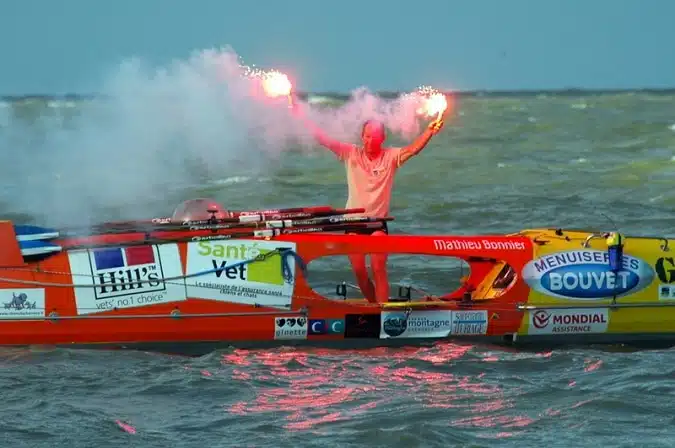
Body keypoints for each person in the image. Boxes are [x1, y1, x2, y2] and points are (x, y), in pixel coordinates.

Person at [291, 99, 447, 303]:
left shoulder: (391, 157)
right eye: (366, 136)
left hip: (377, 224)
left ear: (382, 138)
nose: (369, 141)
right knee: (359, 273)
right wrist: (299, 113)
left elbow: (413, 149)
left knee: (378, 268)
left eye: (374, 137)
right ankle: (374, 307)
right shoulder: (350, 153)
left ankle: (383, 312)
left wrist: (429, 132)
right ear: (361, 136)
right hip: (353, 223)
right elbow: (322, 139)